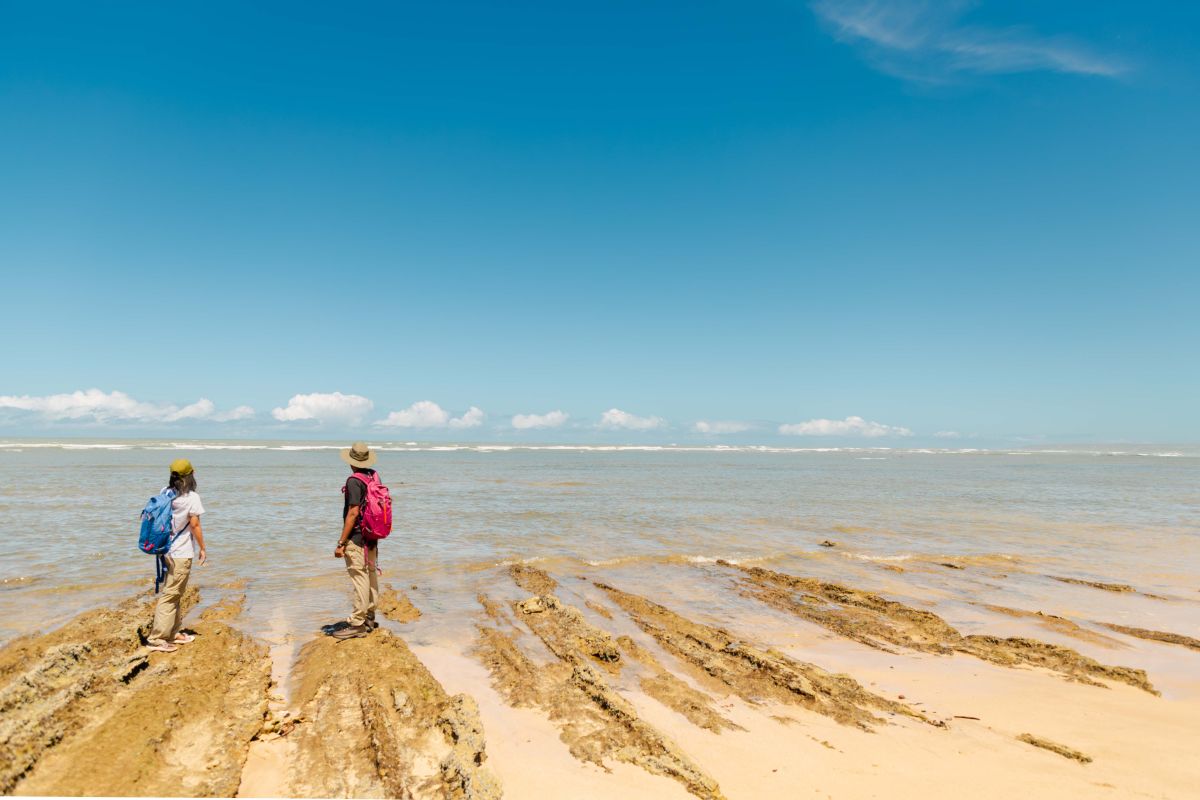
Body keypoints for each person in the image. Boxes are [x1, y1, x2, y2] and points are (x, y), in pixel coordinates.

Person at [146, 458, 207, 653]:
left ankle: (173, 632)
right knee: (171, 595)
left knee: (175, 592)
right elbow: (195, 525)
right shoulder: (192, 498)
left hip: (166, 549)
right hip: (181, 552)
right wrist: (203, 548)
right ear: (191, 474)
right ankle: (157, 638)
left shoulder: (166, 491)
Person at [331, 441, 380, 639]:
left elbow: (353, 513)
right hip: (372, 536)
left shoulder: (353, 481)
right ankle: (369, 616)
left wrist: (341, 542)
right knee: (371, 575)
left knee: (359, 577)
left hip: (358, 538)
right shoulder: (373, 475)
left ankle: (358, 624)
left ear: (351, 461)